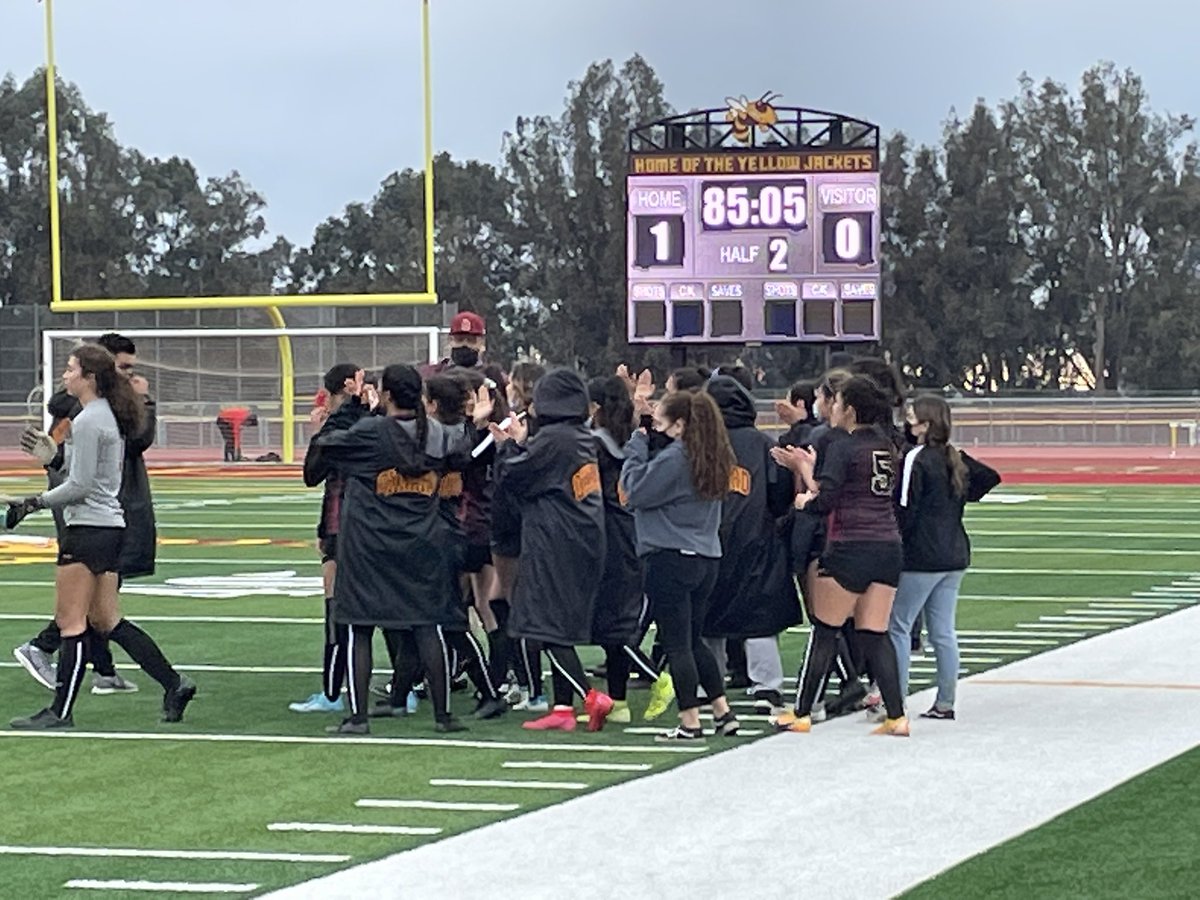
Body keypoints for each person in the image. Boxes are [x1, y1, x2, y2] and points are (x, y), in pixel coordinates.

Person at [5, 344, 195, 729]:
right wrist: (52, 457)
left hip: (88, 529)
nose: (65, 375)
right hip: (106, 527)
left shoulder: (92, 419)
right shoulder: (101, 415)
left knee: (71, 622)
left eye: (71, 369)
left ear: (89, 377)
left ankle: (60, 712)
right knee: (107, 620)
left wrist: (33, 501)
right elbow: (83, 473)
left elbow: (80, 485)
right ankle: (174, 683)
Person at [313, 364, 470, 735]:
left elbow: (326, 448)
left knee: (358, 627)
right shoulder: (435, 434)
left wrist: (350, 409)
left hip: (370, 544)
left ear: (385, 395)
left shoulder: (371, 431)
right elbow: (461, 448)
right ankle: (443, 716)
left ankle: (358, 717)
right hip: (423, 540)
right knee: (427, 624)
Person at [14, 332, 157, 696]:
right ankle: (54, 661)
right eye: (121, 368)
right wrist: (48, 474)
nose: (127, 375)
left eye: (70, 368)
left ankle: (104, 673)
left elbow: (130, 443)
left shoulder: (107, 411)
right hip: (90, 515)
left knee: (99, 611)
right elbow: (76, 471)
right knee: (80, 612)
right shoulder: (89, 411)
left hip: (103, 512)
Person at [773, 375, 909, 737]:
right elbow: (854, 490)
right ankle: (897, 715)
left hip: (850, 544)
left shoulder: (844, 446)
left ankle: (801, 712)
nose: (830, 407)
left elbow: (827, 500)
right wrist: (806, 470)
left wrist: (803, 500)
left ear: (848, 409)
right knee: (875, 633)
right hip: (887, 545)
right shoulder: (885, 444)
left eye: (835, 402)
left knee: (825, 630)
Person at [490, 369, 614, 732]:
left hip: (554, 540)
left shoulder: (555, 439)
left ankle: (590, 696)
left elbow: (514, 476)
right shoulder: (580, 436)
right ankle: (563, 708)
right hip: (583, 537)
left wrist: (509, 445)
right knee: (559, 623)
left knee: (543, 626)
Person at [620, 390, 741, 743]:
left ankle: (690, 720)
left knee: (676, 644)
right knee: (693, 638)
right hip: (706, 554)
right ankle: (722, 710)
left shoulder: (676, 457)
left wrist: (636, 446)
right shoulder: (715, 455)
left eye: (661, 423)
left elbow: (636, 489)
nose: (656, 428)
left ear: (680, 425)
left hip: (670, 555)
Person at [888, 395, 1001, 720]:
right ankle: (946, 701)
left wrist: (896, 544)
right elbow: (990, 476)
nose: (907, 424)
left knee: (898, 627)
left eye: (912, 419)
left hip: (921, 556)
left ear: (925, 424)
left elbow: (904, 511)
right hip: (954, 553)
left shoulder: (916, 459)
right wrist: (963, 496)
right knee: (942, 632)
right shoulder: (955, 458)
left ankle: (895, 704)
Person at [702, 375, 801, 715]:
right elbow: (780, 495)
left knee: (707, 620)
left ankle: (710, 687)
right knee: (759, 620)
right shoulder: (763, 444)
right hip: (757, 540)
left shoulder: (699, 444)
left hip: (708, 541)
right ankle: (767, 688)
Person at [587, 376, 673, 723]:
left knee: (611, 628)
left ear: (595, 408)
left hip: (610, 537)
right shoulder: (638, 439)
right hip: (636, 532)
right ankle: (618, 703)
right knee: (617, 626)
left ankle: (658, 679)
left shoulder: (595, 445)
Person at [289, 363, 370, 714]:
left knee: (337, 606)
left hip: (347, 523)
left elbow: (313, 473)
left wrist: (320, 432)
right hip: (376, 525)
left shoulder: (345, 425)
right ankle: (406, 688)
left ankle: (334, 691)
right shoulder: (378, 421)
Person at [491, 361, 546, 710]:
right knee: (501, 601)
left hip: (514, 522)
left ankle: (530, 685)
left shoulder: (529, 427)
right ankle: (516, 678)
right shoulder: (524, 423)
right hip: (510, 521)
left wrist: (508, 446)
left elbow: (516, 472)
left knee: (517, 605)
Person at [422, 311, 488, 376]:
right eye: (459, 339)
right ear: (450, 340)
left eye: (471, 340)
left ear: (481, 342)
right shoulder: (430, 374)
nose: (465, 344)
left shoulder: (491, 376)